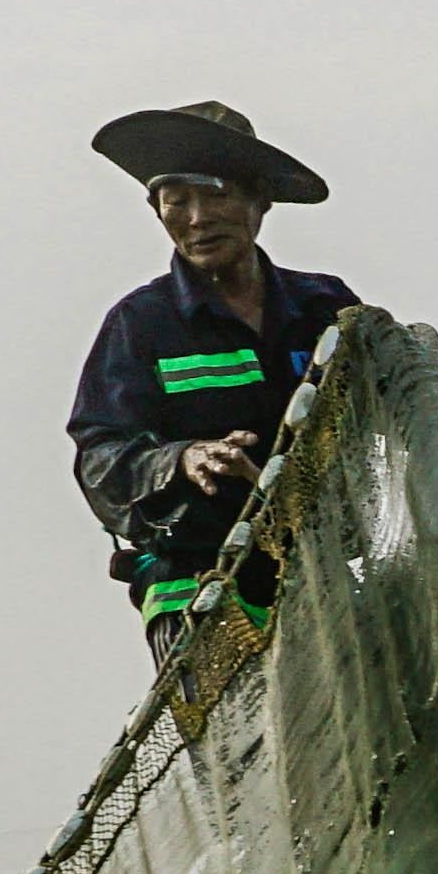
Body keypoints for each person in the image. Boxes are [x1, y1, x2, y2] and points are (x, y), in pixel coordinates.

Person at [65, 99, 356, 667]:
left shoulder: (324, 306)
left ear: (259, 202)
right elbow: (99, 459)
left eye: (218, 193)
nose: (197, 218)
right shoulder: (141, 324)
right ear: (158, 211)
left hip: (327, 579)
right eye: (178, 201)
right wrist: (182, 460)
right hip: (196, 594)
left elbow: (379, 419)